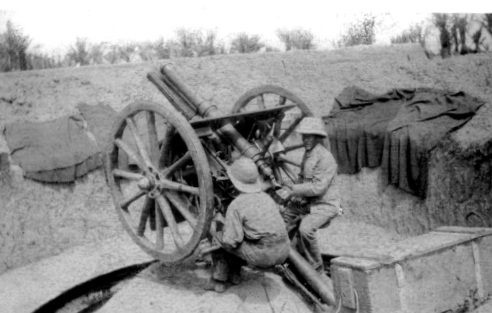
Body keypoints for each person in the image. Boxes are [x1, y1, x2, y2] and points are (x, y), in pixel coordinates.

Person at [203, 157, 290, 293]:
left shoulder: (236, 205)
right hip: (284, 250)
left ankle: (218, 280)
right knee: (242, 236)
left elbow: (230, 242)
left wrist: (220, 223)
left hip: (264, 256)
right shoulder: (266, 197)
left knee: (221, 236)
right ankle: (235, 275)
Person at [276, 117, 341, 277]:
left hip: (326, 206)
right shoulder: (308, 154)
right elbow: (301, 177)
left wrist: (294, 190)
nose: (305, 140)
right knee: (283, 218)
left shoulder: (325, 158)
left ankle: (317, 271)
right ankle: (285, 257)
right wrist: (293, 197)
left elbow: (318, 188)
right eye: (304, 136)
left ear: (317, 137)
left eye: (309, 137)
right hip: (308, 202)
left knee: (306, 229)